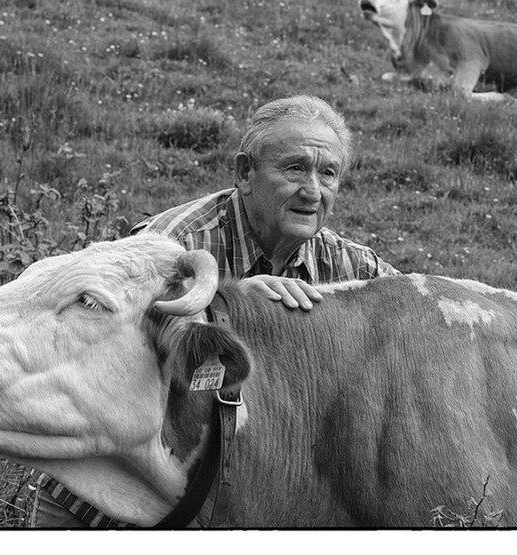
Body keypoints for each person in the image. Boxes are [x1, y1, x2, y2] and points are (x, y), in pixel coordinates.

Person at [31, 94, 399, 527]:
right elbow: (97, 362)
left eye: (329, 173)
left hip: (230, 507)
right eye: (295, 167)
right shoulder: (174, 244)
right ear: (245, 173)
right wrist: (228, 305)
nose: (313, 190)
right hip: (105, 507)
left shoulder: (353, 268)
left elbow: (415, 326)